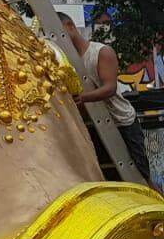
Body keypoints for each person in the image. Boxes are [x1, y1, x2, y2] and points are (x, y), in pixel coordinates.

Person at [59, 12, 156, 188]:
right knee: (109, 180)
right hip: (95, 126)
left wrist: (82, 98)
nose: (58, 40)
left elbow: (109, 88)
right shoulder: (66, 62)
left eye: (60, 33)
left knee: (140, 177)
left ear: (70, 26)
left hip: (121, 122)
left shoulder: (101, 52)